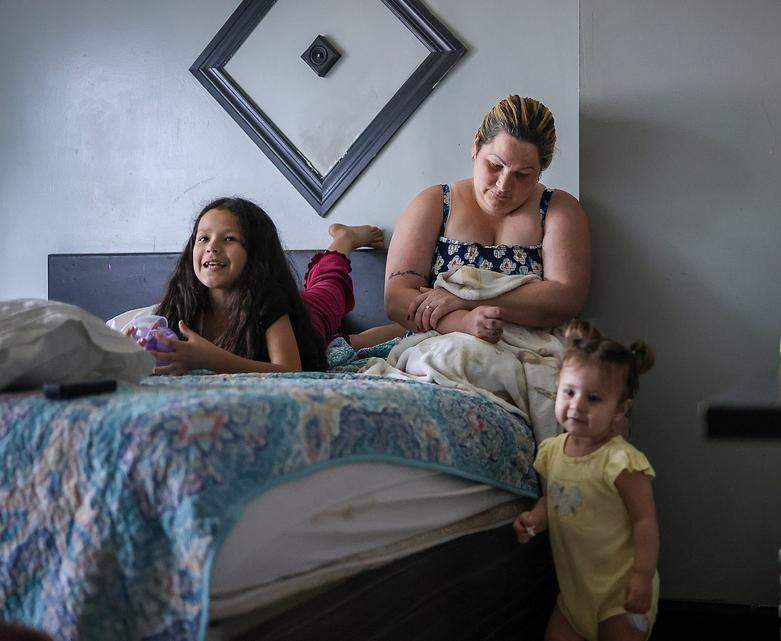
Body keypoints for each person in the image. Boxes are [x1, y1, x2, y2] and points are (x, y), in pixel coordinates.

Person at [384, 95, 590, 343]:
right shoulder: (436, 204)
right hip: (439, 343)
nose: (504, 185)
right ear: (476, 146)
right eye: (495, 165)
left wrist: (468, 298)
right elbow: (396, 299)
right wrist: (462, 322)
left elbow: (566, 300)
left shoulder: (558, 209)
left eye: (522, 175)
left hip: (531, 349)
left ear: (540, 172)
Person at [513, 320, 659, 641]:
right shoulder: (552, 451)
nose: (576, 405)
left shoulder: (621, 461)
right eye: (569, 391)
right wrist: (535, 519)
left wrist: (643, 575)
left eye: (593, 399)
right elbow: (554, 497)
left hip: (619, 591)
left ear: (621, 409)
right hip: (575, 593)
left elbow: (644, 521)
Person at [144, 197, 403, 375]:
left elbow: (290, 370)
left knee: (328, 285)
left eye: (229, 238)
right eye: (203, 238)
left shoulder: (269, 300)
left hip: (307, 319)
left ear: (255, 252)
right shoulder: (183, 299)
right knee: (340, 344)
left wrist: (211, 359)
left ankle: (344, 239)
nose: (212, 246)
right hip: (292, 342)